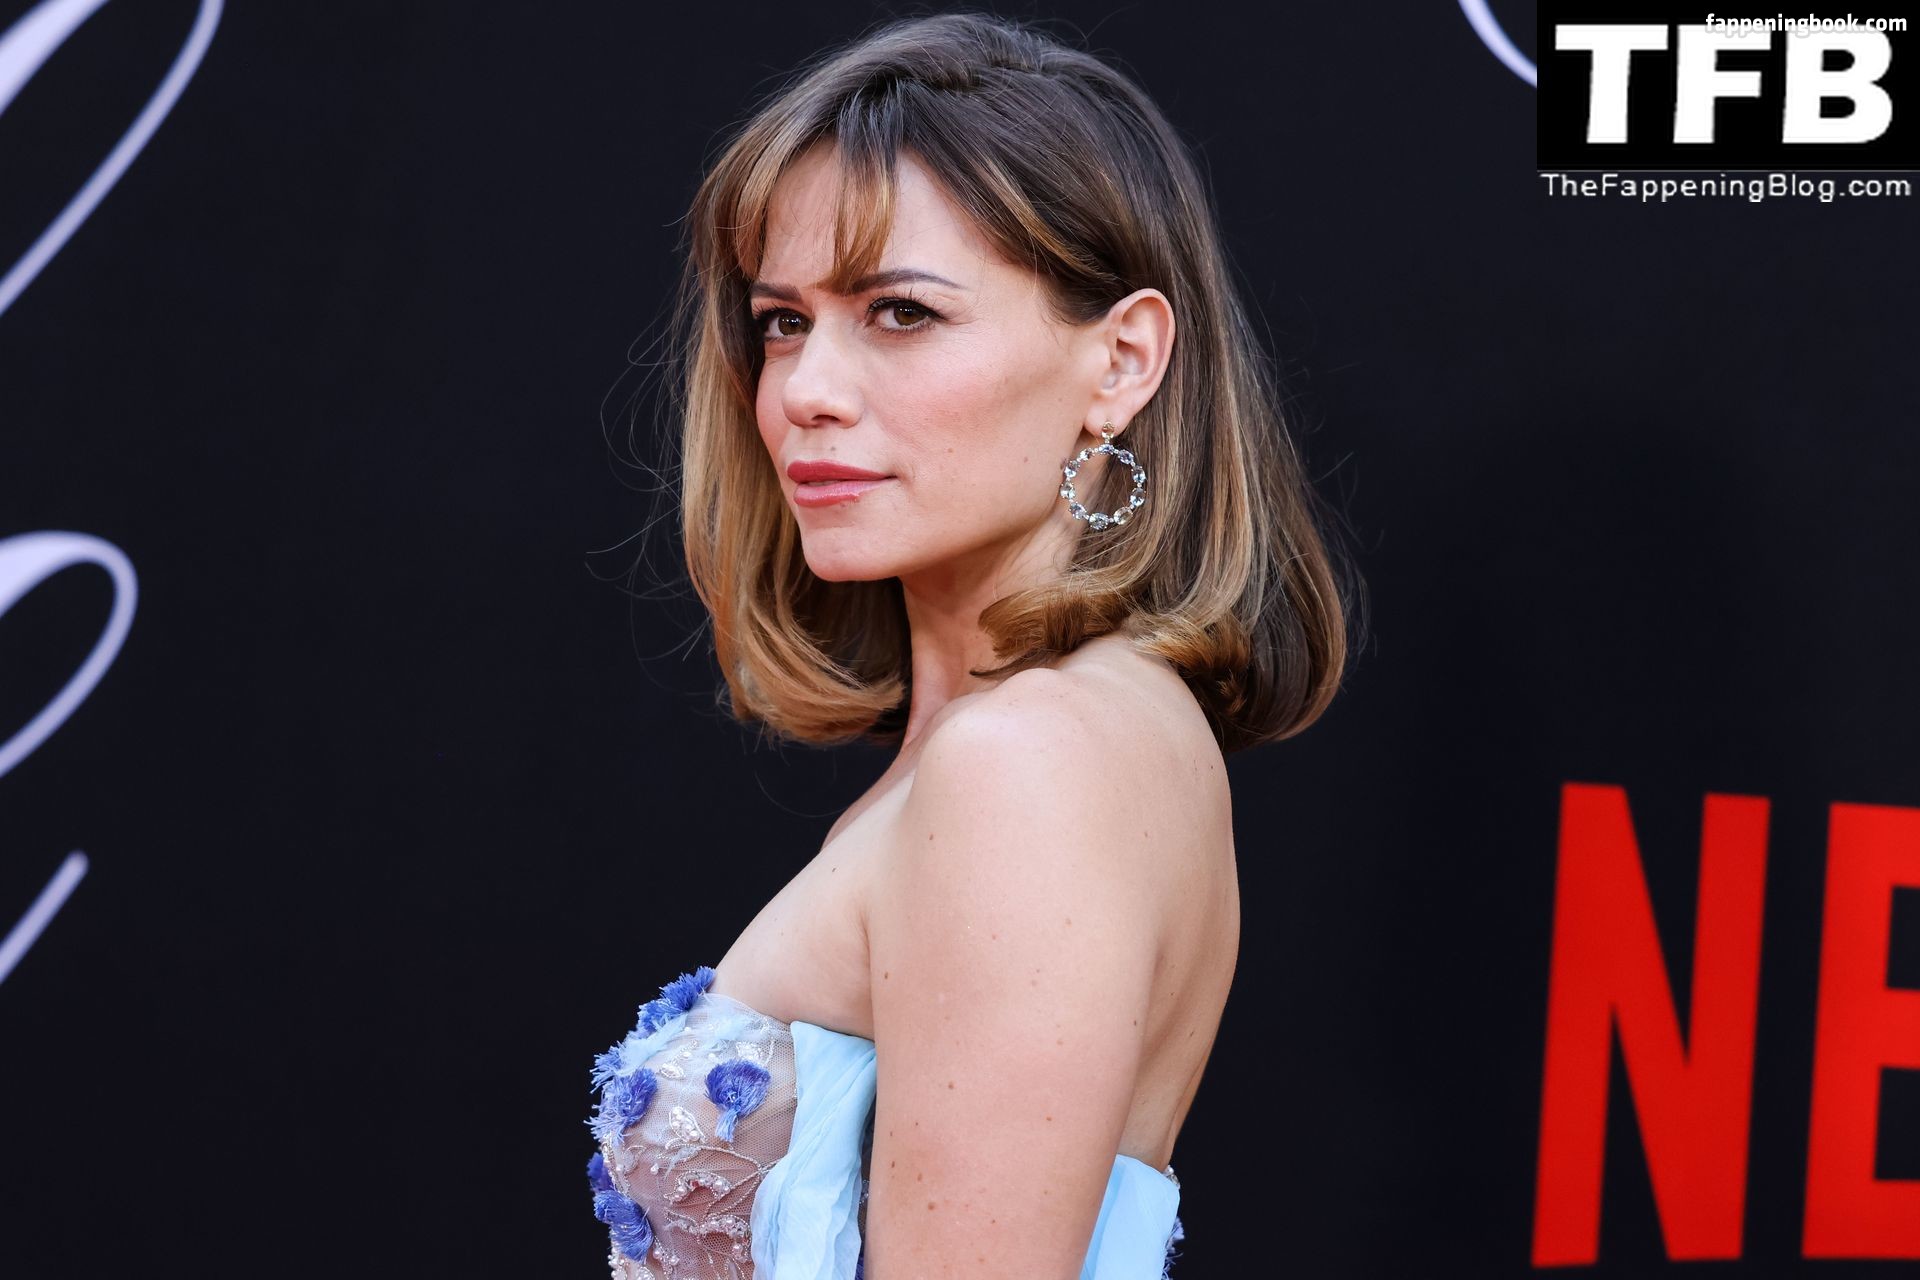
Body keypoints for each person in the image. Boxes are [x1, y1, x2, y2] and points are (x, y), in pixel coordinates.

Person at [585, 11, 1360, 1278]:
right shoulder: (1074, 726)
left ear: (1122, 360)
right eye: (783, 321)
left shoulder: (1026, 762)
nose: (805, 390)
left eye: (899, 312)